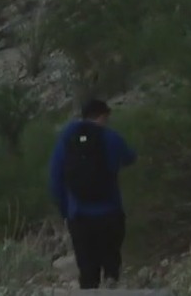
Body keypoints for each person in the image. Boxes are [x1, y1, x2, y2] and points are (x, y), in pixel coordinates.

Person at [48, 98, 137, 289]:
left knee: (87, 270)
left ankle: (90, 288)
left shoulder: (66, 139)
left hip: (78, 216)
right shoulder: (111, 137)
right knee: (111, 260)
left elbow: (55, 179)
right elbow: (130, 157)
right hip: (110, 213)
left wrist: (65, 211)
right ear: (103, 116)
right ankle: (111, 279)